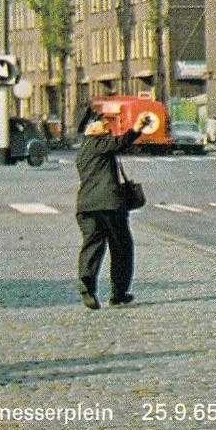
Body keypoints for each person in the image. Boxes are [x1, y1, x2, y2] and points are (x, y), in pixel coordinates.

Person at [74, 108, 155, 310]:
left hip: (86, 207)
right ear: (90, 127)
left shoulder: (84, 150)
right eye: (102, 122)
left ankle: (86, 285)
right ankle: (118, 293)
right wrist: (136, 128)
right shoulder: (98, 143)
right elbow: (120, 142)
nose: (107, 125)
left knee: (92, 244)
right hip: (109, 206)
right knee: (122, 246)